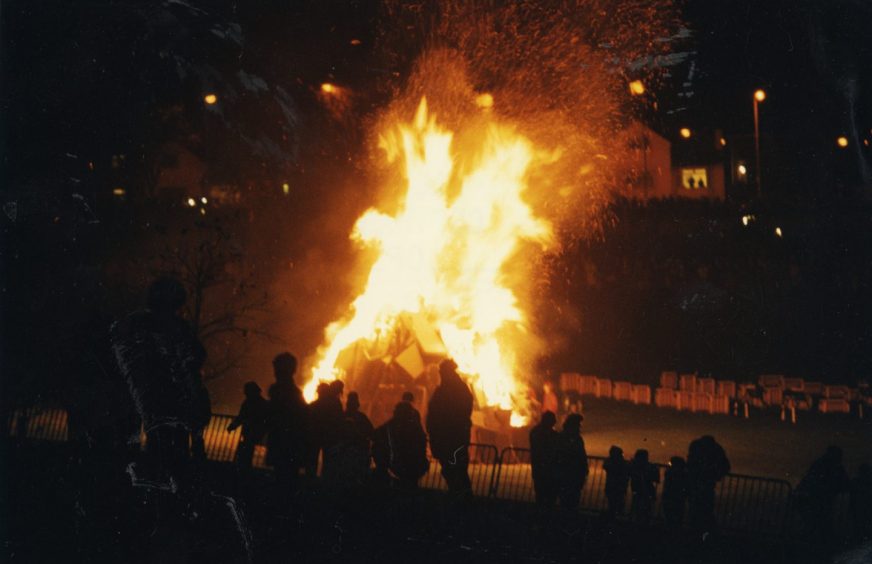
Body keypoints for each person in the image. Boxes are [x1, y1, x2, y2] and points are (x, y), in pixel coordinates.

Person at [110, 276, 209, 485]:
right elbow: (194, 359)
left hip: (147, 401)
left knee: (148, 455)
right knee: (171, 459)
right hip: (169, 403)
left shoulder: (136, 325)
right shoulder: (178, 329)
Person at [426, 359, 474, 494]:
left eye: (442, 372)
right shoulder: (455, 389)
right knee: (453, 471)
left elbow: (443, 414)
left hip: (451, 439)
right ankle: (460, 498)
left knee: (455, 470)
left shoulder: (453, 390)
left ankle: (462, 501)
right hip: (451, 438)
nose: (440, 374)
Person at [266, 353, 308, 496]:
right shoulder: (293, 393)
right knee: (286, 482)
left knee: (284, 484)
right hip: (290, 449)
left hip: (285, 447)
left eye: (276, 367)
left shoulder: (282, 393)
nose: (274, 371)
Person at [796, 446, 849, 547]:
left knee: (816, 523)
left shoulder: (821, 464)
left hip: (816, 498)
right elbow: (845, 483)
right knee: (820, 523)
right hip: (821, 499)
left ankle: (812, 544)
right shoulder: (833, 466)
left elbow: (809, 479)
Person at [372, 401, 429, 491]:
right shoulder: (413, 426)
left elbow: (376, 434)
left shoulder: (395, 424)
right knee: (410, 487)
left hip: (402, 465)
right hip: (412, 465)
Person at [686, 435, 731, 536]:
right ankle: (705, 533)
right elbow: (725, 466)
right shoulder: (716, 449)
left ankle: (695, 532)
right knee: (705, 509)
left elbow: (690, 462)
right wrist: (715, 475)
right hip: (707, 485)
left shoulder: (696, 446)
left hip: (695, 483)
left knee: (695, 509)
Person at [227, 381, 269, 472]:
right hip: (256, 432)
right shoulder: (263, 403)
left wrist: (232, 426)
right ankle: (246, 470)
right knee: (248, 451)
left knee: (246, 451)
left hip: (250, 432)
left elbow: (241, 416)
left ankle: (243, 471)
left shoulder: (248, 403)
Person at [556, 413, 588, 510]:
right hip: (567, 476)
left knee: (572, 502)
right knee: (567, 502)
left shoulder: (577, 439)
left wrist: (584, 470)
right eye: (578, 424)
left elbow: (582, 456)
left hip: (574, 477)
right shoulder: (564, 438)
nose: (579, 427)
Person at [529, 411, 560, 506]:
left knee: (541, 495)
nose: (555, 421)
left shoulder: (535, 431)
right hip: (546, 469)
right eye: (553, 420)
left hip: (540, 469)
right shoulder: (549, 434)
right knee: (547, 496)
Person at [629, 449, 659, 522]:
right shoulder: (650, 466)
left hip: (638, 490)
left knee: (637, 508)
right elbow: (656, 479)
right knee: (646, 510)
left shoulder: (634, 466)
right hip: (646, 491)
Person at [603, 445, 629, 518]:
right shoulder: (622, 463)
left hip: (612, 486)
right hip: (618, 487)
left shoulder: (609, 462)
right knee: (618, 502)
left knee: (613, 503)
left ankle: (613, 517)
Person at [662, 456, 689, 527]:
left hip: (670, 498)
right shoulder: (683, 475)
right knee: (677, 517)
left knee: (669, 516)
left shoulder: (669, 473)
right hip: (678, 499)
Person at [850, 463, 872, 542]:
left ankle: (861, 537)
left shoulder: (855, 482)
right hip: (862, 506)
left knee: (861, 523)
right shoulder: (858, 482)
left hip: (860, 507)